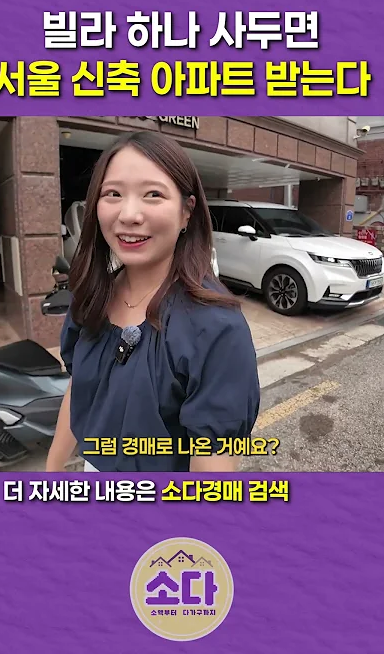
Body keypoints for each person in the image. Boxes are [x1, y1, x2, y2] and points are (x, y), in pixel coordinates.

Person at [46, 131, 260, 473]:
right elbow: (81, 386)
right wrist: (52, 471)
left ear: (187, 211)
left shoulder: (217, 328)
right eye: (113, 193)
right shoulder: (90, 297)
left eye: (153, 194)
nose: (129, 214)